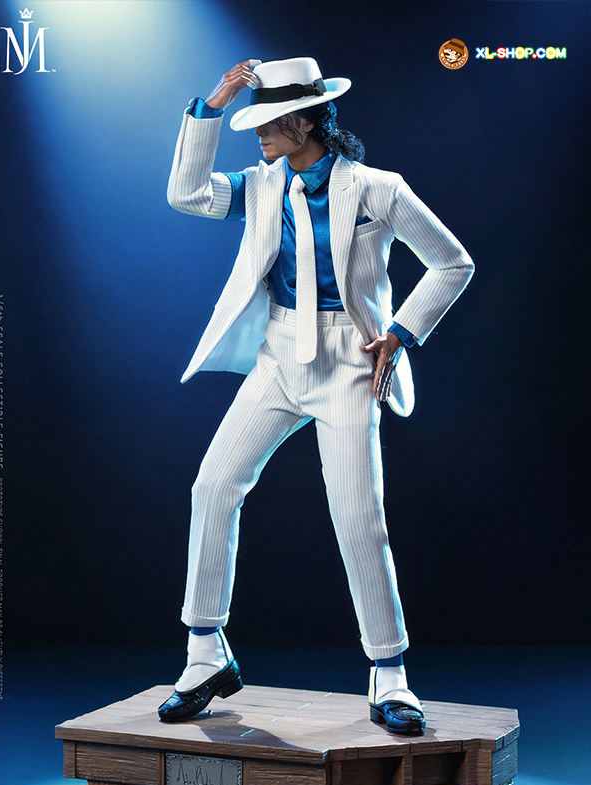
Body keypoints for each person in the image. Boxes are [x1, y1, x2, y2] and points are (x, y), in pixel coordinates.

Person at [158, 57, 474, 734]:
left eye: (269, 123)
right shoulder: (261, 185)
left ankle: (390, 675)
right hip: (277, 358)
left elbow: (453, 262)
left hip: (350, 363)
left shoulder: (377, 188)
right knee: (212, 487)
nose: (259, 135)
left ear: (303, 122)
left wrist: (401, 332)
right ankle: (204, 653)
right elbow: (186, 194)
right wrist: (214, 104)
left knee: (358, 518)